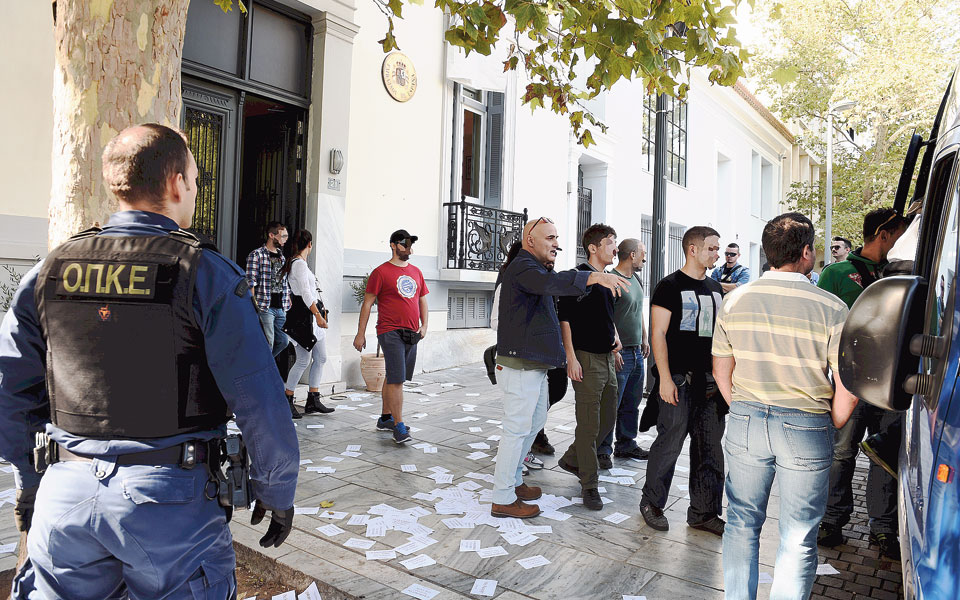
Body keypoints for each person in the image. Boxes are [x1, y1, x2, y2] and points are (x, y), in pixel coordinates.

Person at [0, 124, 299, 599]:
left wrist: (31, 480)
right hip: (170, 508)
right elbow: (258, 398)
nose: (196, 190)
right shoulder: (205, 274)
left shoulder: (48, 271)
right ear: (177, 182)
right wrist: (276, 489)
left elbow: (11, 395)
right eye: (197, 180)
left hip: (65, 494)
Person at [713, 212, 858, 600]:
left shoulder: (734, 301)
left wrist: (743, 408)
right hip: (806, 423)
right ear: (806, 252)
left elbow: (721, 370)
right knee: (798, 535)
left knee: (741, 523)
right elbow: (848, 383)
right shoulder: (831, 308)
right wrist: (833, 421)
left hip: (745, 417)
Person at [490, 217, 630, 518]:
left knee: (533, 421)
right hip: (519, 366)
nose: (557, 243)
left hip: (535, 365)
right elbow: (549, 284)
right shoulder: (524, 267)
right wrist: (592, 278)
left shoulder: (537, 268)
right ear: (530, 241)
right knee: (516, 430)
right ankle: (502, 497)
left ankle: (514, 482)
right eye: (550, 238)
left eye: (557, 238)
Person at [816, 207, 908, 558]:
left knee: (885, 457)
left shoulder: (902, 274)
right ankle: (832, 520)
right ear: (884, 234)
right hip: (850, 383)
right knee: (841, 454)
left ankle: (883, 529)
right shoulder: (837, 273)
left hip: (891, 385)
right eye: (899, 234)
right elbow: (820, 324)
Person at [639, 226, 726, 536]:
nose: (717, 253)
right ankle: (652, 503)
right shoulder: (669, 286)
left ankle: (704, 512)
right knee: (669, 445)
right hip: (678, 380)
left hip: (711, 385)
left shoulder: (716, 288)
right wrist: (664, 378)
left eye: (718, 249)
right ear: (693, 249)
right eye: (712, 248)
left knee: (710, 449)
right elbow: (658, 334)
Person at [556, 224, 623, 510]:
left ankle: (573, 458)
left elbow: (606, 316)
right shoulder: (577, 278)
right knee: (588, 424)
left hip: (608, 358)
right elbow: (565, 320)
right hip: (585, 358)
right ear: (593, 248)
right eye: (610, 243)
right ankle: (589, 485)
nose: (615, 249)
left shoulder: (608, 280)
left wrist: (615, 340)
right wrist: (570, 357)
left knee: (608, 419)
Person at [353, 229, 428, 444]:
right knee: (397, 380)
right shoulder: (381, 272)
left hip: (412, 333)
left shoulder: (416, 272)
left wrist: (425, 326)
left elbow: (422, 299)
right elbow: (367, 303)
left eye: (411, 244)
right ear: (393, 245)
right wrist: (360, 334)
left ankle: (386, 417)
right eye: (405, 244)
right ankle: (399, 425)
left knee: (395, 376)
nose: (409, 248)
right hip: (389, 331)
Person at [597, 238, 650, 464]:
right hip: (620, 354)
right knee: (611, 405)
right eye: (643, 253)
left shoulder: (635, 279)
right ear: (632, 255)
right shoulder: (611, 280)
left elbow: (638, 310)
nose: (645, 258)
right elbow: (605, 318)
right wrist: (614, 350)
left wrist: (644, 338)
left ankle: (626, 444)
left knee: (632, 403)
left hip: (637, 351)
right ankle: (602, 450)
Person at [281, 229, 335, 417]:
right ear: (310, 244)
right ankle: (287, 399)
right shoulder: (299, 265)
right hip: (305, 318)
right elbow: (305, 293)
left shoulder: (300, 264)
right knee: (303, 360)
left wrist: (319, 314)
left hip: (311, 317)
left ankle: (313, 398)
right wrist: (318, 316)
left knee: (320, 358)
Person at [246, 221, 292, 358]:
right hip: (265, 307)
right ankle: (264, 372)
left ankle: (263, 366)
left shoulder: (282, 257)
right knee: (269, 342)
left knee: (284, 341)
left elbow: (284, 281)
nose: (285, 239)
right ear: (272, 235)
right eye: (282, 236)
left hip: (281, 307)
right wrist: (253, 305)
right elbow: (251, 282)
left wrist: (287, 297)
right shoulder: (257, 255)